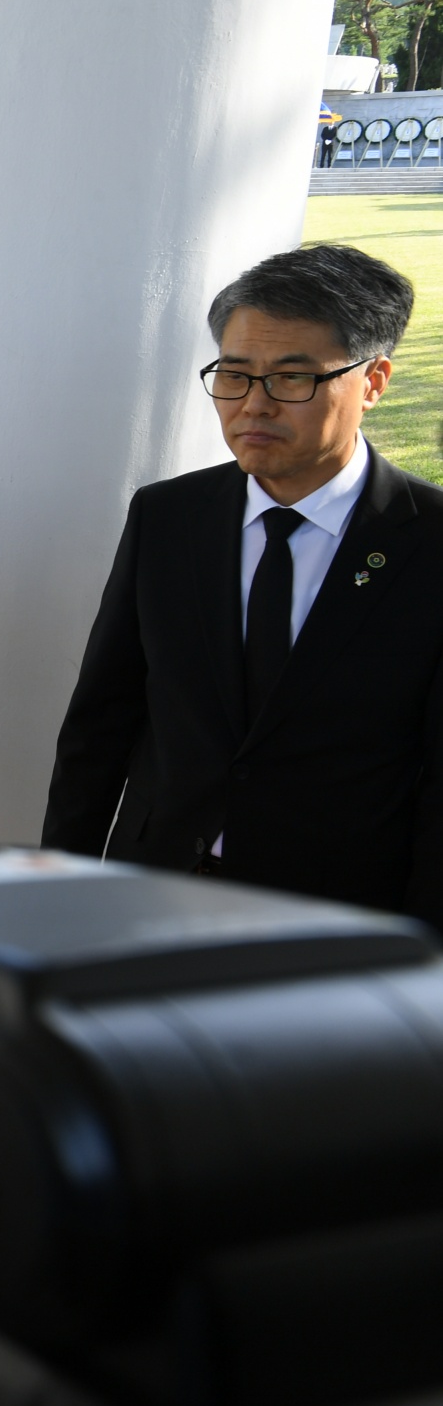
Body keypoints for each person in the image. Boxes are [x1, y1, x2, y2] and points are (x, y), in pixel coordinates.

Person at [43, 245, 443, 927]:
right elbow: (99, 726)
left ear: (372, 381)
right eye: (231, 375)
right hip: (149, 896)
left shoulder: (427, 543)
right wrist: (56, 892)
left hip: (337, 922)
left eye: (293, 379)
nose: (252, 405)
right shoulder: (167, 518)